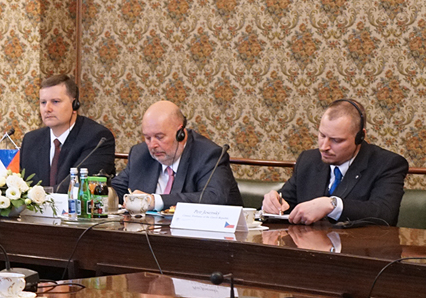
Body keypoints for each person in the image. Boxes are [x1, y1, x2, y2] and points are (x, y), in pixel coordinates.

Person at [262, 99, 407, 225]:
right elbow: (286, 205)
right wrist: (273, 204)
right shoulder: (308, 160)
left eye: (336, 140)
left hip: (357, 246)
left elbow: (385, 214)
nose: (324, 147)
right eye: (322, 135)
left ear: (360, 137)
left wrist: (333, 205)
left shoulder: (387, 164)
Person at [111, 101, 241, 209]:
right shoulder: (140, 154)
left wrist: (155, 201)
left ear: (180, 134)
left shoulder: (208, 155)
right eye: (147, 138)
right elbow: (117, 189)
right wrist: (104, 192)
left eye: (159, 137)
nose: (152, 145)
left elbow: (213, 198)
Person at [20, 74, 115, 191]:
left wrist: (40, 194)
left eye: (55, 101)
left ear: (74, 105)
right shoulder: (31, 140)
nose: (47, 109)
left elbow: (81, 186)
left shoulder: (97, 137)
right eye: (43, 102)